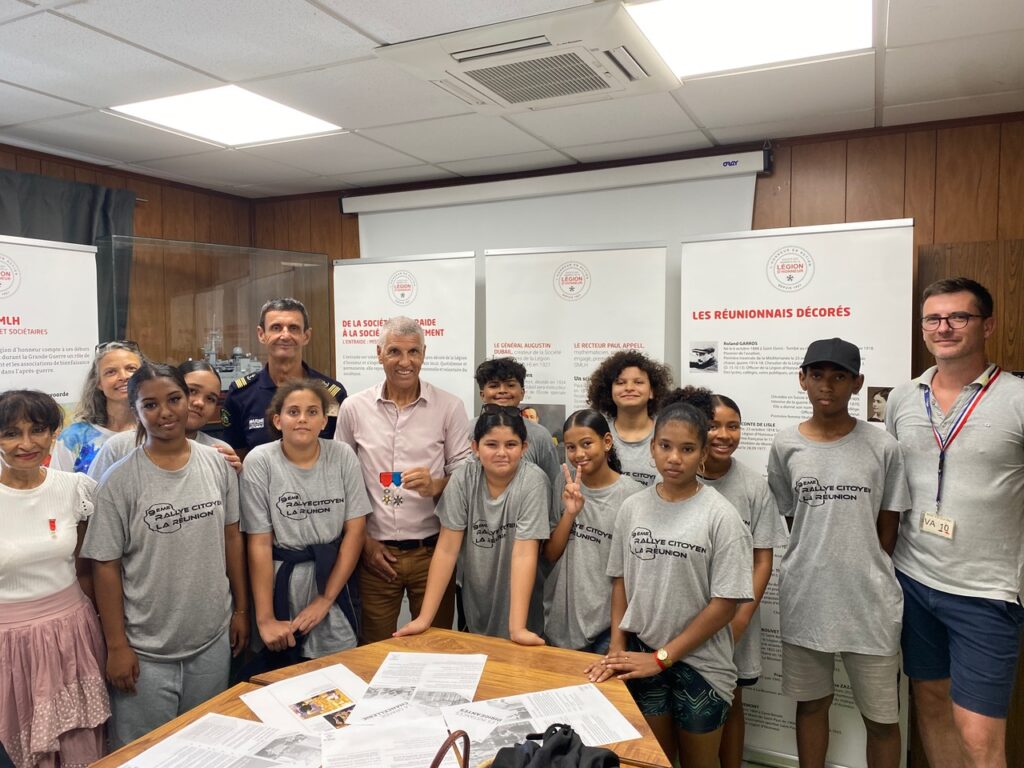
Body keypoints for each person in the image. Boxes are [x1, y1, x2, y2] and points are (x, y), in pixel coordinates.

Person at [885, 277, 1024, 768]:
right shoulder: (903, 397)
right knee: (930, 704)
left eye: (958, 317)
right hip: (914, 579)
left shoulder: (1016, 398)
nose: (943, 327)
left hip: (986, 591)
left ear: (987, 325)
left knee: (979, 736)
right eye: (933, 319)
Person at [81, 363, 249, 748]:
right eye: (150, 405)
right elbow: (104, 566)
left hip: (211, 639)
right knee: (145, 752)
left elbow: (231, 539)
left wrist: (241, 610)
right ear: (136, 411)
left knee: (206, 746)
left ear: (187, 399)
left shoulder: (217, 463)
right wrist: (117, 646)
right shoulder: (119, 480)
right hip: (145, 650)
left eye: (174, 399)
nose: (165, 412)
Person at [587, 400, 753, 768]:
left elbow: (725, 605)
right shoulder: (633, 508)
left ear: (703, 454)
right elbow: (620, 581)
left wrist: (662, 658)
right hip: (641, 654)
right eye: (665, 446)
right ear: (652, 448)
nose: (674, 458)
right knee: (653, 762)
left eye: (687, 449)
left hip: (701, 666)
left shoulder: (721, 517)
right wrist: (617, 649)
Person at [767, 338, 910, 768]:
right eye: (817, 375)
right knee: (811, 705)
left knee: (882, 719)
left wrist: (862, 565)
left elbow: (888, 527)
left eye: (839, 376)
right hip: (807, 597)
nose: (826, 385)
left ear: (857, 383)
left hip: (869, 601)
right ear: (802, 379)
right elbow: (793, 518)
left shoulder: (883, 447)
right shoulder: (785, 445)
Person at [670, 387, 789, 768]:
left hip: (736, 617)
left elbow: (762, 559)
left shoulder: (754, 486)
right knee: (678, 696)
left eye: (733, 426)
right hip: (683, 612)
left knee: (731, 698)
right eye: (713, 425)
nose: (723, 434)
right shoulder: (677, 479)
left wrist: (739, 619)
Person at [335, 316, 472, 643]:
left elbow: (465, 475)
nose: (405, 361)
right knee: (375, 648)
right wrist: (364, 542)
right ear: (379, 353)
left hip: (432, 553)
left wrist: (436, 485)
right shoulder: (354, 408)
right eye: (395, 351)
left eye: (413, 352)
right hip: (374, 554)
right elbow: (341, 478)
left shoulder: (449, 407)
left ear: (424, 353)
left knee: (435, 645)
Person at [0, 391, 110, 768]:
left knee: (82, 744)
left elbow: (87, 566)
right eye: (11, 433)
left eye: (37, 430)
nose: (26, 443)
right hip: (10, 645)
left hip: (73, 634)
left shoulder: (74, 488)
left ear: (53, 434)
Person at [395, 405, 548, 644]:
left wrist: (517, 628)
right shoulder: (463, 477)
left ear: (524, 447)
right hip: (477, 597)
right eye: (491, 444)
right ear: (475, 447)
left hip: (523, 607)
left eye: (511, 444)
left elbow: (524, 553)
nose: (501, 453)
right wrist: (424, 618)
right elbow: (447, 549)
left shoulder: (533, 481)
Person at [240, 379, 369, 662]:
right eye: (293, 411)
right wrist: (265, 618)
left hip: (333, 578)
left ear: (324, 421)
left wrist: (326, 599)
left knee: (340, 666)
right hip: (281, 583)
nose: (302, 419)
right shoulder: (260, 461)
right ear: (277, 420)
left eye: (312, 412)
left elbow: (356, 531)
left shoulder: (342, 455)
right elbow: (259, 543)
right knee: (282, 671)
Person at [544, 408, 642, 652]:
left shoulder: (632, 495)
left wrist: (618, 640)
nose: (579, 454)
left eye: (586, 444)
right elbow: (551, 554)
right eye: (571, 447)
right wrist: (570, 513)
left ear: (607, 442)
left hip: (607, 627)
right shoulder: (564, 483)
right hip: (561, 621)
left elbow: (632, 573)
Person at [222, 298, 346, 455]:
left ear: (306, 336)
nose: (285, 335)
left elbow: (339, 453)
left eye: (293, 328)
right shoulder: (241, 394)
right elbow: (237, 456)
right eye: (276, 328)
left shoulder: (332, 394)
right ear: (261, 334)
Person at [87, 360, 241, 479]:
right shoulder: (119, 447)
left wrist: (237, 474)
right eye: (192, 391)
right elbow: (93, 502)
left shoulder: (220, 452)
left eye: (210, 399)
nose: (199, 403)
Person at [50, 340, 142, 474]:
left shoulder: (157, 431)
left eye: (131, 369)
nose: (123, 377)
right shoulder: (73, 437)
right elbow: (59, 485)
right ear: (99, 383)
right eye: (111, 372)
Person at [587, 350, 673, 487]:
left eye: (638, 382)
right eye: (620, 383)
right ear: (609, 391)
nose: (629, 388)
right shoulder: (598, 433)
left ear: (652, 391)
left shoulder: (669, 433)